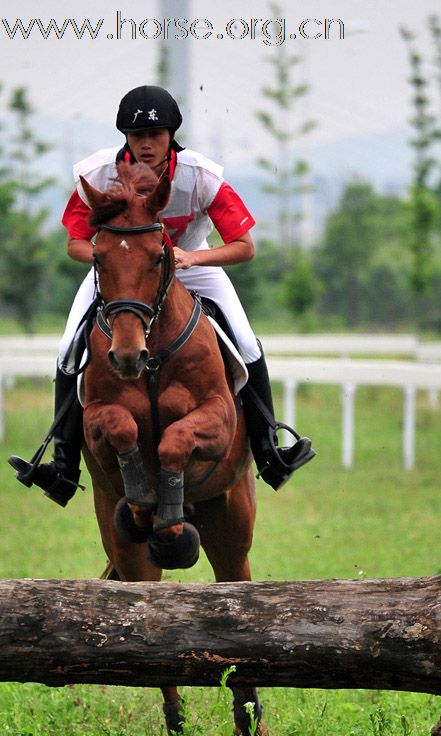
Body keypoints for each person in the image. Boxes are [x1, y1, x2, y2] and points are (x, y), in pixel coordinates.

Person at [9, 85, 315, 505]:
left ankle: (268, 452)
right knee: (68, 348)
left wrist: (191, 257)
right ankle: (62, 465)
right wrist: (107, 258)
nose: (146, 144)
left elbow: (244, 246)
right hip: (122, 272)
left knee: (245, 343)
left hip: (192, 265)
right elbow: (75, 242)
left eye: (155, 135)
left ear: (171, 135)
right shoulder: (99, 174)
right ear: (126, 139)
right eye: (137, 137)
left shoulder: (200, 175)